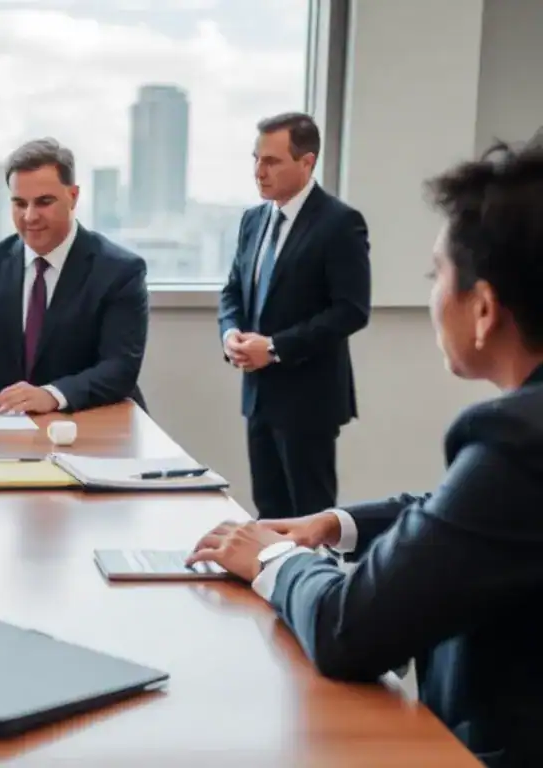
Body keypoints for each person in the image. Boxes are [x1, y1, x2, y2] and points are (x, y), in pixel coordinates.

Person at [189, 138, 543, 767]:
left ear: (484, 309)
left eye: (438, 276)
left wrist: (272, 560)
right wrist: (339, 523)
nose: (434, 295)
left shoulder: (517, 441)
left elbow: (346, 629)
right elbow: (477, 514)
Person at [0, 138, 148, 414]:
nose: (29, 216)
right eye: (19, 203)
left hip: (94, 421)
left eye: (44, 202)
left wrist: (52, 395)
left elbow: (119, 368)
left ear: (73, 197)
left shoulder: (120, 270)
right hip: (8, 425)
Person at [217, 112, 372, 520]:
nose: (258, 171)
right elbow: (233, 290)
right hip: (259, 395)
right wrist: (230, 333)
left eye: (271, 161)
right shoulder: (253, 220)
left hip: (309, 398)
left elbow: (351, 311)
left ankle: (316, 585)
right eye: (256, 159)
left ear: (307, 162)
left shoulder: (340, 223)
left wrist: (275, 347)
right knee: (267, 511)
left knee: (310, 518)